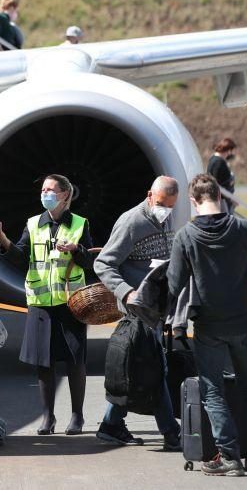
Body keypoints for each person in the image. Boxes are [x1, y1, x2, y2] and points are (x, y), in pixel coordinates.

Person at [167, 174, 247, 476]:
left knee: (212, 391)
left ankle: (229, 456)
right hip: (243, 322)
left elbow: (174, 284)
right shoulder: (241, 227)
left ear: (194, 202)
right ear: (220, 197)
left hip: (208, 324)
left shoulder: (186, 236)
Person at [0, 174, 93, 436]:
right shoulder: (34, 223)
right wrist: (2, 237)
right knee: (43, 363)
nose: (44, 193)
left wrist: (75, 249)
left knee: (74, 360)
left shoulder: (80, 224)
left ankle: (77, 416)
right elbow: (21, 257)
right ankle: (48, 417)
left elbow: (89, 262)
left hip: (70, 302)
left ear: (65, 195)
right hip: (40, 302)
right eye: (43, 189)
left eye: (50, 190)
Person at [94, 176, 182, 450]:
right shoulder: (132, 222)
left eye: (170, 206)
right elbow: (103, 263)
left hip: (156, 309)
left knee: (138, 370)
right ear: (149, 196)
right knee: (156, 369)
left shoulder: (165, 217)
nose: (165, 210)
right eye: (160, 204)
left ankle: (111, 424)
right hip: (137, 311)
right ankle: (171, 432)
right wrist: (126, 292)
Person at [206, 138, 237, 213]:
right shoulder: (218, 162)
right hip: (221, 199)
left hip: (221, 198)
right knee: (225, 221)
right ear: (228, 150)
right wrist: (231, 198)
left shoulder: (214, 159)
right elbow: (216, 183)